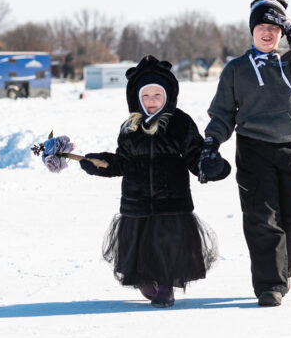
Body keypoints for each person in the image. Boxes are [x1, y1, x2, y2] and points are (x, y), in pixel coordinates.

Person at [198, 0, 291, 307]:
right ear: (252, 31)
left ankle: (284, 269)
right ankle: (270, 285)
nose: (267, 33)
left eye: (274, 28)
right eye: (261, 27)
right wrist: (212, 143)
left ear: (281, 33)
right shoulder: (236, 69)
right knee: (262, 218)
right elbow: (223, 113)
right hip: (253, 148)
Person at [78, 55, 228, 307]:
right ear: (136, 97)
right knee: (141, 249)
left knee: (166, 247)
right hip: (136, 203)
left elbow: (195, 156)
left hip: (171, 203)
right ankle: (147, 281)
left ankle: (166, 285)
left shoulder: (180, 123)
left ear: (168, 96)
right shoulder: (130, 127)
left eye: (156, 96)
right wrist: (99, 163)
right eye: (145, 96)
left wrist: (213, 167)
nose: (150, 102)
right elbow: (121, 162)